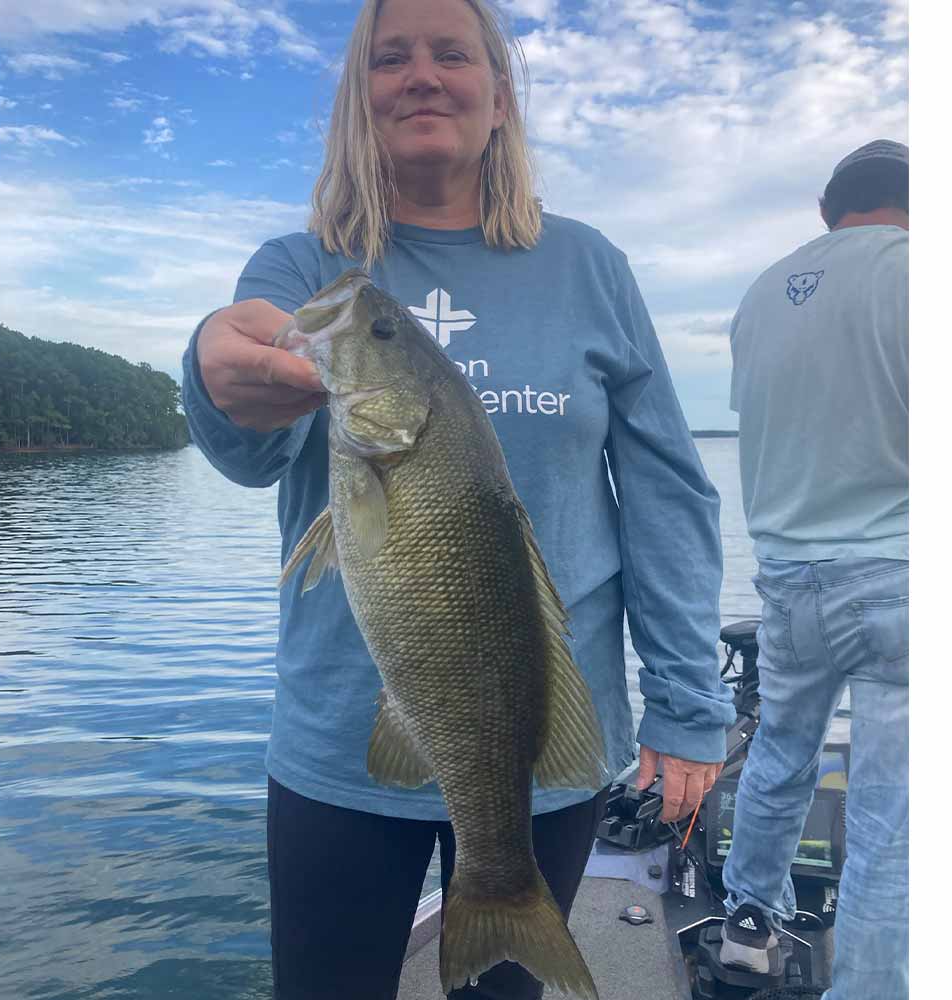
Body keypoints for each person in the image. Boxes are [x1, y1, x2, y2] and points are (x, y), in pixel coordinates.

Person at [181, 1, 734, 997]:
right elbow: (250, 453)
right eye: (391, 57)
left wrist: (687, 704)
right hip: (338, 743)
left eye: (451, 53)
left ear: (499, 94)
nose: (421, 75)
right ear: (360, 96)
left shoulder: (590, 266)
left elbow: (666, 492)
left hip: (539, 739)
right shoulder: (303, 266)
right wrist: (214, 376)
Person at [719, 139, 909, 1000]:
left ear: (829, 211)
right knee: (892, 816)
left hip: (787, 576)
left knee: (781, 755)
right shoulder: (917, 271)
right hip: (897, 575)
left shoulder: (762, 294)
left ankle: (747, 927)